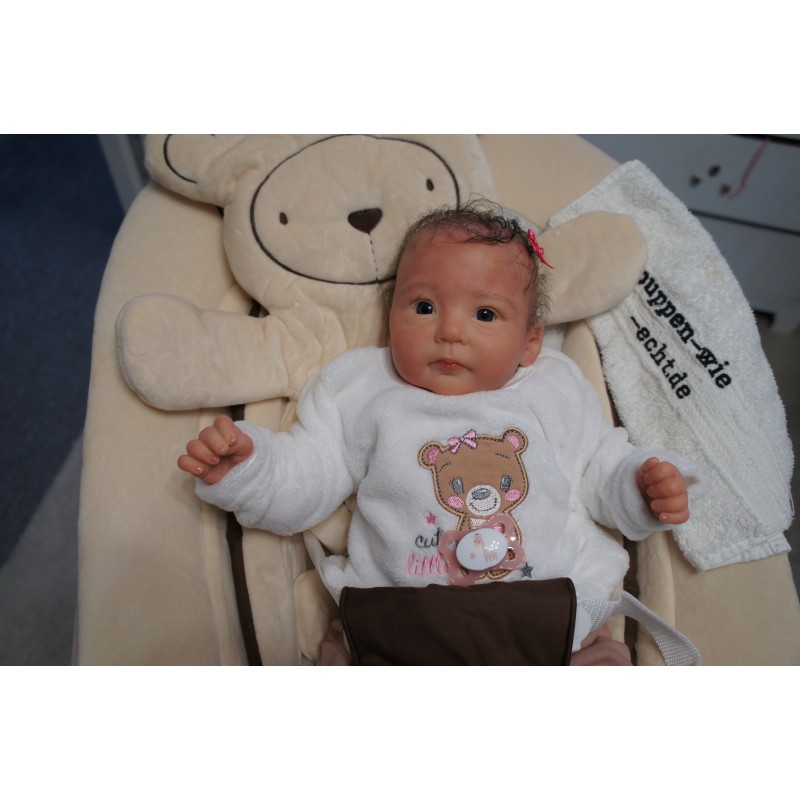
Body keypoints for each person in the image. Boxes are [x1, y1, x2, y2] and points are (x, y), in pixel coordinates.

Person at [178, 201, 710, 665]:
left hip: (551, 620)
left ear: (530, 342)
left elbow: (598, 470)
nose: (450, 331)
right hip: (396, 623)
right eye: (425, 307)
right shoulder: (361, 388)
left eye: (485, 314)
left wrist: (641, 487)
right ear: (391, 315)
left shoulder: (553, 388)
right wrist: (250, 470)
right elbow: (309, 473)